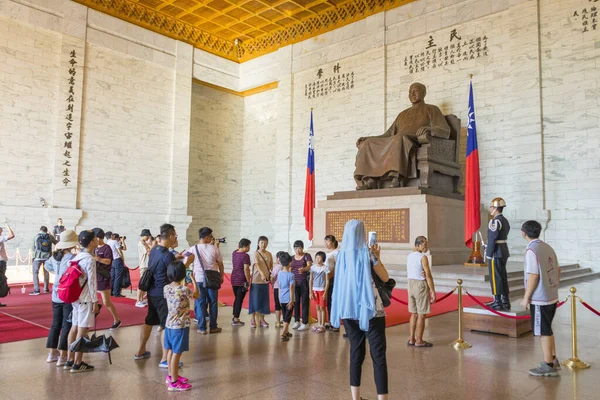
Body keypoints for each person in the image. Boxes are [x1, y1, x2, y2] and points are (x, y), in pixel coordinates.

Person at [331, 220, 390, 400]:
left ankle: (355, 397)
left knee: (356, 353)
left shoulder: (340, 255)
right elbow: (385, 278)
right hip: (372, 311)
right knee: (378, 356)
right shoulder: (368, 255)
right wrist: (377, 256)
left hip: (348, 310)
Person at [354, 82, 451, 189]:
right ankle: (370, 180)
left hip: (415, 140)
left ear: (423, 93)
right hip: (399, 139)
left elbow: (445, 130)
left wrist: (430, 129)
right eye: (410, 92)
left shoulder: (431, 109)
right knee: (369, 143)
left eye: (415, 91)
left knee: (399, 138)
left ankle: (396, 177)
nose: (412, 94)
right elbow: (388, 134)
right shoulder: (402, 114)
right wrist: (370, 138)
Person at [134, 224, 193, 368]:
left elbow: (164, 264)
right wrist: (187, 263)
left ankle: (141, 350)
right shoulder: (167, 255)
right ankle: (165, 359)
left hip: (152, 292)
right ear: (171, 236)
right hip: (163, 294)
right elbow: (175, 273)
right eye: (176, 236)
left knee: (149, 321)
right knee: (165, 325)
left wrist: (175, 257)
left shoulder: (155, 250)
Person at [519, 220, 561, 377]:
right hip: (551, 295)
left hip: (540, 298)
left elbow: (533, 276)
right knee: (548, 328)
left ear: (524, 233)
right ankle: (553, 358)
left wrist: (526, 298)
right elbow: (557, 269)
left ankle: (548, 365)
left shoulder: (532, 250)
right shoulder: (547, 247)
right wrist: (553, 286)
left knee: (544, 332)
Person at [65, 230, 99, 373]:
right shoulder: (90, 259)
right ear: (91, 242)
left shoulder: (76, 257)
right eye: (96, 239)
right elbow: (92, 282)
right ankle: (78, 363)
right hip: (85, 299)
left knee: (74, 327)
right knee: (82, 330)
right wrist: (95, 301)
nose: (97, 240)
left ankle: (69, 359)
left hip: (75, 297)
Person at [164, 261, 199, 391]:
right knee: (177, 353)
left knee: (170, 350)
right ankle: (174, 383)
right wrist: (194, 281)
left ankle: (171, 375)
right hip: (180, 325)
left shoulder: (166, 288)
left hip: (169, 324)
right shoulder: (184, 290)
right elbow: (196, 295)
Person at [43, 230, 77, 366]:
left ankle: (52, 353)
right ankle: (63, 354)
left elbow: (46, 266)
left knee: (55, 323)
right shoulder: (72, 257)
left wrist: (56, 275)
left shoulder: (54, 256)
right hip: (67, 293)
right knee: (66, 324)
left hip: (56, 294)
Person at [187, 227, 224, 335]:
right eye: (211, 237)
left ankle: (202, 328)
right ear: (207, 237)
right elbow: (220, 264)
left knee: (200, 303)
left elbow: (185, 260)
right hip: (212, 279)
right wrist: (221, 276)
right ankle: (213, 326)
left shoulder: (193, 249)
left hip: (198, 279)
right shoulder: (214, 249)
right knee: (213, 303)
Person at [406, 236, 436, 347]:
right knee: (421, 314)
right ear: (417, 245)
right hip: (420, 285)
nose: (426, 246)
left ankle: (411, 339)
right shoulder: (423, 257)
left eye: (427, 244)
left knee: (413, 314)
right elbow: (428, 275)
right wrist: (432, 290)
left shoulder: (409, 256)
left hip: (410, 284)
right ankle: (419, 340)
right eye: (424, 244)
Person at [92, 228, 121, 330]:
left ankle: (116, 319)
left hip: (103, 277)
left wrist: (97, 258)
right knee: (92, 299)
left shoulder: (106, 248)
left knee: (106, 301)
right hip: (94, 276)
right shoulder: (94, 248)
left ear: (99, 238)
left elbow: (108, 261)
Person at [485, 197, 511, 310]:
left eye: (491, 207)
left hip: (496, 251)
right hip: (503, 250)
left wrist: (488, 253)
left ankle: (497, 301)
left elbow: (492, 238)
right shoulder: (504, 220)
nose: (490, 209)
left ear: (495, 208)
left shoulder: (495, 221)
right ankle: (505, 300)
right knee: (502, 276)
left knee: (495, 277)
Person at [248, 236, 272, 328]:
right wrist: (262, 274)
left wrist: (272, 275)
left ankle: (262, 319)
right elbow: (257, 265)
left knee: (264, 300)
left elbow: (270, 266)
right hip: (256, 280)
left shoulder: (269, 254)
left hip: (265, 281)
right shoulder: (256, 253)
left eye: (265, 243)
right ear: (258, 243)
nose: (264, 245)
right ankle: (253, 319)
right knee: (254, 300)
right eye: (262, 242)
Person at [291, 240, 312, 331]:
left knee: (304, 302)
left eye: (299, 248)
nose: (297, 250)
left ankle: (305, 322)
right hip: (294, 282)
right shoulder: (292, 257)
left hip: (304, 282)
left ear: (302, 248)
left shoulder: (306, 256)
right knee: (296, 302)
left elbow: (309, 266)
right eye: (295, 248)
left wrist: (304, 269)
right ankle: (296, 321)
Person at [30, 226, 57, 295]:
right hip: (47, 257)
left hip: (38, 257)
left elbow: (33, 248)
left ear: (40, 230)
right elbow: (57, 243)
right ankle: (46, 289)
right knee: (46, 273)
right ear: (46, 230)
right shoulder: (50, 236)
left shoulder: (36, 237)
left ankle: (37, 290)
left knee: (35, 272)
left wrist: (34, 256)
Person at [231, 238, 251, 326]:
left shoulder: (234, 253)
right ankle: (235, 318)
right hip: (241, 280)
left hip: (233, 278)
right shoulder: (245, 256)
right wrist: (248, 280)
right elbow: (246, 268)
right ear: (245, 246)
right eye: (249, 246)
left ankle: (234, 316)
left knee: (237, 298)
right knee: (239, 299)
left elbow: (236, 249)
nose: (249, 248)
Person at [309, 251, 330, 333]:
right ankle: (319, 323)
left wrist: (325, 293)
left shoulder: (325, 268)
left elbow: (327, 281)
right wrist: (310, 292)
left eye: (319, 257)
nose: (317, 259)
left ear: (323, 259)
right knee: (317, 307)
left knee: (322, 307)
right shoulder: (313, 268)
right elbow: (310, 280)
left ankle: (322, 325)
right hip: (315, 290)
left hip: (322, 290)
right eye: (316, 257)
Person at [277, 252, 295, 342]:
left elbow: (279, 286)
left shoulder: (280, 273)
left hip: (282, 298)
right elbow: (291, 288)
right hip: (289, 298)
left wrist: (279, 298)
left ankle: (286, 331)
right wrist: (292, 300)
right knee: (288, 317)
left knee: (285, 315)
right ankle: (283, 333)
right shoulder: (291, 275)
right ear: (289, 263)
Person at [324, 235, 339, 331]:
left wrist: (329, 276)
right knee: (328, 301)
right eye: (325, 241)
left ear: (333, 242)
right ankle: (330, 321)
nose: (326, 243)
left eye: (328, 241)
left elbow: (336, 268)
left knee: (333, 301)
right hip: (326, 280)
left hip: (333, 280)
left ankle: (335, 324)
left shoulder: (336, 253)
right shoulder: (326, 253)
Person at [106, 233, 126, 298]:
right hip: (117, 260)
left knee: (113, 277)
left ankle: (111, 292)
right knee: (118, 277)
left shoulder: (107, 242)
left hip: (111, 261)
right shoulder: (114, 241)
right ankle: (116, 293)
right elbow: (119, 251)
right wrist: (122, 259)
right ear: (111, 235)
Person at [137, 229, 153, 307]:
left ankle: (141, 299)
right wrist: (148, 245)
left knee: (144, 283)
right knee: (142, 283)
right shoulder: (141, 243)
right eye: (148, 236)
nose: (148, 238)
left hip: (145, 264)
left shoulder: (143, 243)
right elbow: (147, 251)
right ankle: (138, 300)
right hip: (143, 265)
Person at [0, 224, 15, 307]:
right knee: (1, 281)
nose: (2, 231)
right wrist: (8, 227)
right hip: (0, 262)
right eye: (1, 230)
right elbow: (12, 235)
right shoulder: (0, 238)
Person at [271, 251, 284, 327]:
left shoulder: (277, 267)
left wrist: (271, 281)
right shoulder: (286, 267)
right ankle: (284, 319)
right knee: (284, 304)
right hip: (285, 289)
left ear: (278, 259)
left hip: (277, 288)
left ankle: (278, 321)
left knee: (277, 305)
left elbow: (272, 278)